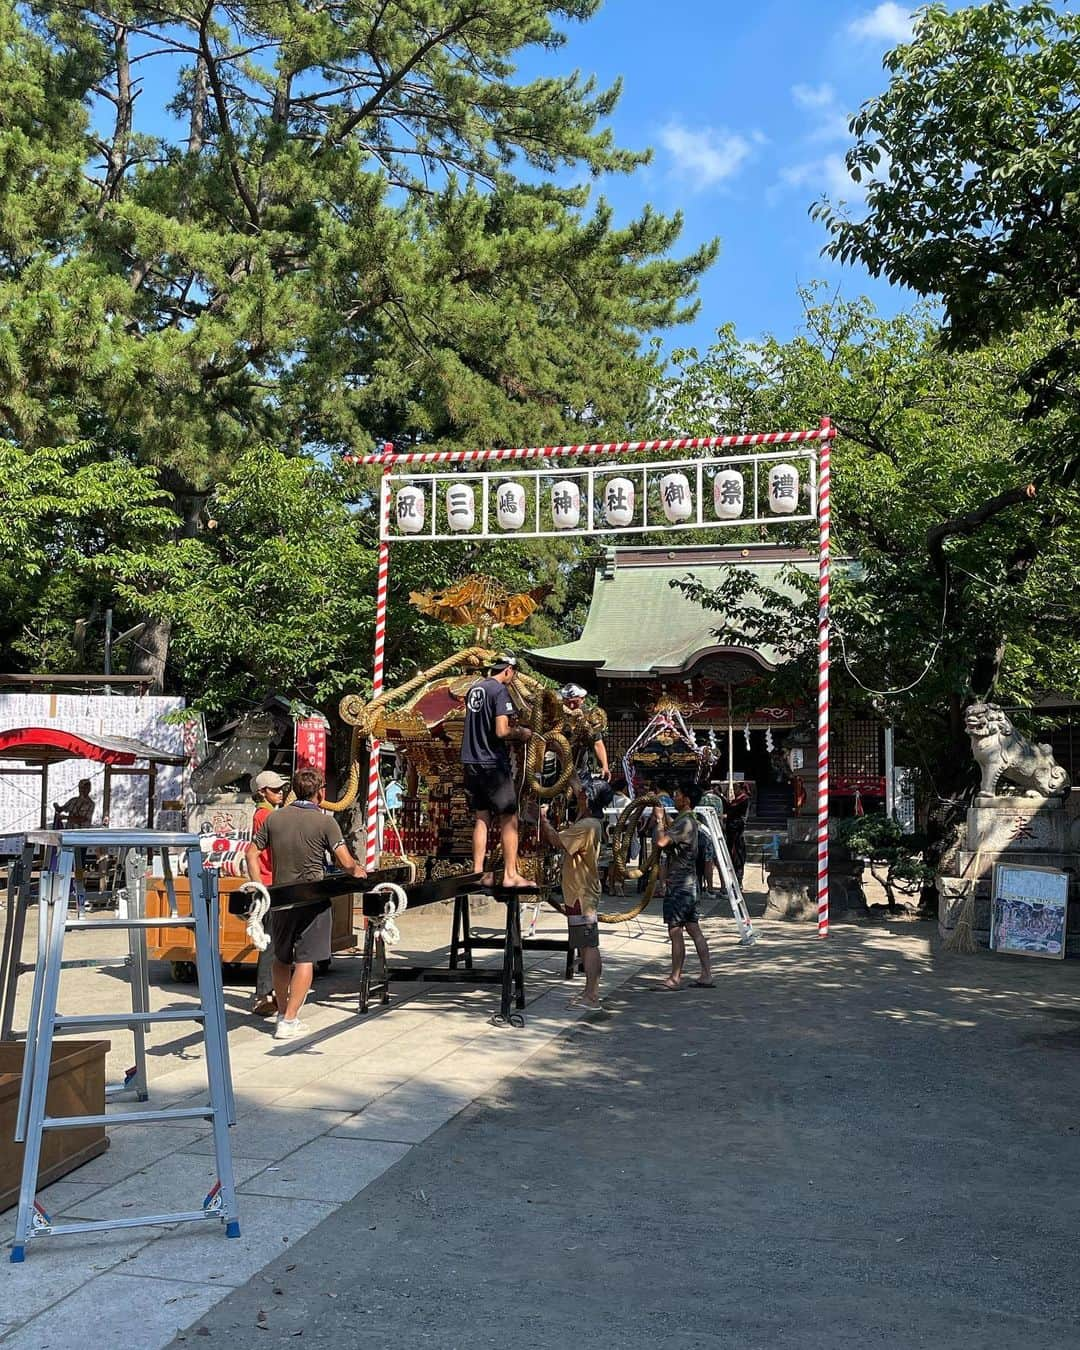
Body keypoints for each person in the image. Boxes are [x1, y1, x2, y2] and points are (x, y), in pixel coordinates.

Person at [246, 767, 365, 1040]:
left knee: (281, 957)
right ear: (321, 792)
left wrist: (260, 888)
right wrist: (358, 871)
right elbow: (345, 862)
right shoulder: (324, 822)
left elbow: (251, 854)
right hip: (312, 899)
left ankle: (282, 1014)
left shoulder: (274, 820)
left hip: (280, 898)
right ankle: (290, 1019)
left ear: (293, 791)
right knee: (305, 959)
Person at [460, 653, 533, 887]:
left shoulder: (474, 689)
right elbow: (501, 731)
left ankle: (478, 872)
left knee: (481, 817)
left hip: (471, 761)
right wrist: (521, 734)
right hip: (492, 762)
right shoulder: (499, 691)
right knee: (509, 817)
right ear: (509, 670)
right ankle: (510, 875)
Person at [540, 780, 613, 1009]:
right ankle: (590, 992)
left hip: (581, 893)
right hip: (580, 891)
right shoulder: (592, 822)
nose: (579, 797)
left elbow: (557, 841)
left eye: (583, 795)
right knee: (585, 943)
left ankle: (591, 996)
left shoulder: (588, 825)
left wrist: (542, 821)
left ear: (590, 800)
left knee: (588, 944)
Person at [655, 781, 714, 991]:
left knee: (675, 930)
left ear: (686, 799)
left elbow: (662, 842)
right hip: (690, 884)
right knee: (693, 927)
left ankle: (675, 977)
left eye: (678, 794)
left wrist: (660, 821)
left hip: (680, 884)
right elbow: (675, 830)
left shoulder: (685, 822)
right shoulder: (688, 820)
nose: (675, 797)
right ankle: (706, 973)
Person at [249, 769, 287, 1017]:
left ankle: (272, 990)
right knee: (272, 941)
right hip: (269, 880)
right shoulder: (265, 816)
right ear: (262, 792)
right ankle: (263, 993)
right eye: (275, 790)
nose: (280, 793)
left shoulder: (270, 814)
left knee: (276, 939)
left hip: (272, 880)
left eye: (281, 788)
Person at [559, 683, 611, 784]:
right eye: (568, 702)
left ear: (583, 699)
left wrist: (604, 766)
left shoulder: (588, 718)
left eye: (575, 702)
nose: (572, 706)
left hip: (580, 770)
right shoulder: (556, 715)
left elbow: (597, 743)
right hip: (557, 768)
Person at [723, 783, 752, 884]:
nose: (734, 791)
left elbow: (733, 811)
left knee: (738, 856)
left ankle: (738, 880)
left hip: (737, 831)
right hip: (731, 832)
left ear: (741, 789)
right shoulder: (736, 800)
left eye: (736, 788)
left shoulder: (744, 799)